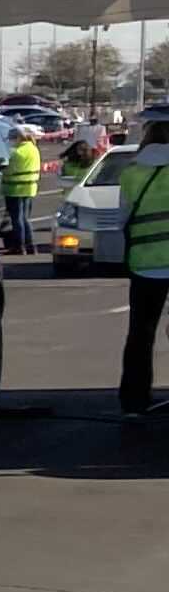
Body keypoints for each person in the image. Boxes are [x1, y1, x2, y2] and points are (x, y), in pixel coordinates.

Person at [120, 108, 169, 419]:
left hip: (145, 263)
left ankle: (134, 400)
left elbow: (121, 219)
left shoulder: (131, 172)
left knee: (141, 333)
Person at [1, 123, 44, 256]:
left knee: (17, 219)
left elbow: (7, 169)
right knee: (25, 218)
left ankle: (19, 246)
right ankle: (30, 246)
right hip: (30, 188)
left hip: (14, 188)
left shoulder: (16, 152)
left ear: (18, 138)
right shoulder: (33, 149)